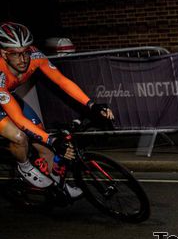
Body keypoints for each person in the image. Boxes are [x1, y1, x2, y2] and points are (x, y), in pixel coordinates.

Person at [0, 22, 114, 196]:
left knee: (44, 144)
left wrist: (92, 104)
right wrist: (53, 140)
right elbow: (18, 119)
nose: (23, 59)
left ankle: (59, 187)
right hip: (2, 95)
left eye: (26, 52)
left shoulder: (35, 56)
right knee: (19, 136)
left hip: (7, 95)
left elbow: (62, 81)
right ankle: (24, 167)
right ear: (3, 53)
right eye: (15, 54)